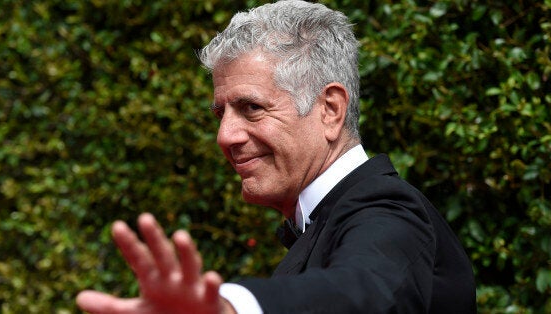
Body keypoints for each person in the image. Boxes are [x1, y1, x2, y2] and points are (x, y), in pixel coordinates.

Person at [76, 0, 476, 313]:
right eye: (221, 113)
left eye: (252, 108)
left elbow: (365, 290)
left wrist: (231, 307)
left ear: (330, 109)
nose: (225, 136)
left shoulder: (385, 208)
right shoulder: (324, 221)